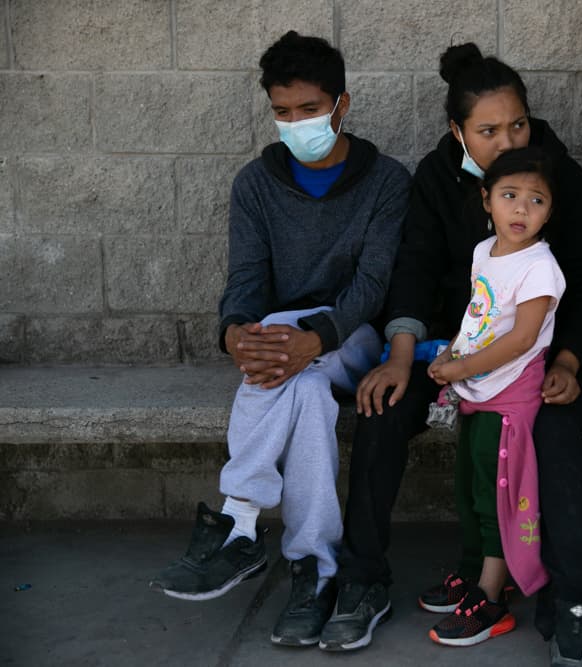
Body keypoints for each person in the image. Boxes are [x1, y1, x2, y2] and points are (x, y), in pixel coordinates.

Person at [323, 43, 582, 666]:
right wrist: (401, 356)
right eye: (488, 130)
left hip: (541, 358)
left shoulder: (555, 176)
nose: (508, 139)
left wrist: (570, 361)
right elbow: (413, 270)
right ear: (457, 132)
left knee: (554, 435)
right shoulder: (435, 180)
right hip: (452, 351)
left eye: (518, 124)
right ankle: (361, 580)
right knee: (383, 409)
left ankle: (569, 604)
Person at [148, 31, 410, 649]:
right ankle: (315, 571)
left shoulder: (386, 181)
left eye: (310, 109)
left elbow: (371, 286)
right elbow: (245, 280)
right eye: (283, 112)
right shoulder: (255, 184)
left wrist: (312, 336)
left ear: (341, 104)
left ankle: (239, 519)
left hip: (353, 338)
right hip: (286, 356)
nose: (296, 123)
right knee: (311, 397)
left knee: (302, 353)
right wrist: (235, 332)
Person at [423, 146, 566, 647]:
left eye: (537, 200)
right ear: (487, 201)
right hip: (477, 389)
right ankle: (473, 574)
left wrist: (460, 367)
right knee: (469, 489)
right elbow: (480, 318)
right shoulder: (485, 252)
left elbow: (521, 338)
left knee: (495, 499)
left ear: (550, 209)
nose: (522, 210)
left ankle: (492, 599)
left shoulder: (540, 268)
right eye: (510, 196)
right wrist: (453, 359)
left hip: (509, 401)